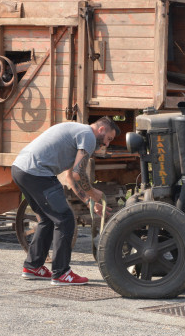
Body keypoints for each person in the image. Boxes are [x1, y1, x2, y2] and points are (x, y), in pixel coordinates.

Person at [12, 117, 119, 285]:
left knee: (47, 219)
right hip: (37, 173)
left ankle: (33, 267)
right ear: (102, 130)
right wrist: (93, 192)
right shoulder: (88, 136)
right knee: (65, 219)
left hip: (20, 169)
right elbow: (79, 174)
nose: (106, 144)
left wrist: (90, 202)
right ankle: (61, 273)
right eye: (108, 139)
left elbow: (70, 178)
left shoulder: (77, 134)